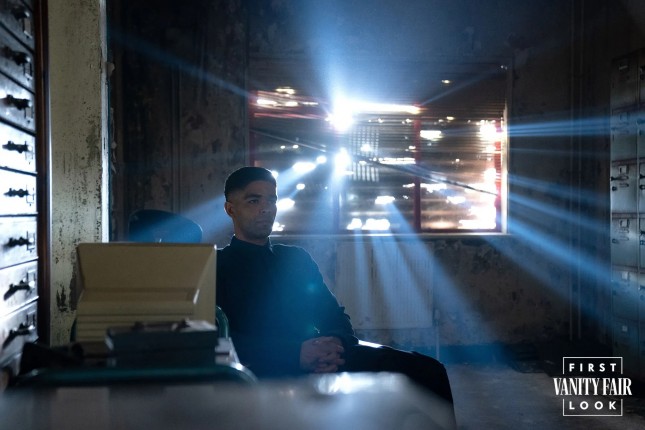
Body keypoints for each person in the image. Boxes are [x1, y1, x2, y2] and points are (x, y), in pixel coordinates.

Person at [216, 166, 455, 405]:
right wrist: (295, 354)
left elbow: (334, 316)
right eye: (254, 201)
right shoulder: (217, 266)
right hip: (264, 365)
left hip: (324, 358)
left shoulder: (295, 259)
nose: (266, 209)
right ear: (230, 209)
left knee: (429, 371)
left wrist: (336, 346)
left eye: (271, 200)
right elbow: (219, 340)